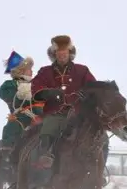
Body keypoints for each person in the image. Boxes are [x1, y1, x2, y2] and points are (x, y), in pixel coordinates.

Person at [30, 35, 96, 179]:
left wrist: (87, 94)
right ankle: (44, 160)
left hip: (78, 114)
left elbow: (93, 87)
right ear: (54, 55)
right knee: (48, 127)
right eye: (59, 54)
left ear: (70, 54)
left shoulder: (82, 70)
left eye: (65, 54)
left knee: (99, 135)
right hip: (55, 114)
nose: (62, 57)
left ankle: (98, 168)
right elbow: (35, 87)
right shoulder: (45, 72)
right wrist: (47, 92)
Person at [0, 51, 42, 170]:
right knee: (13, 126)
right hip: (22, 115)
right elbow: (5, 94)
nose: (32, 71)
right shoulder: (10, 84)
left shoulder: (36, 84)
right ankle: (7, 155)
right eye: (29, 69)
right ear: (20, 71)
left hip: (41, 115)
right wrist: (19, 93)